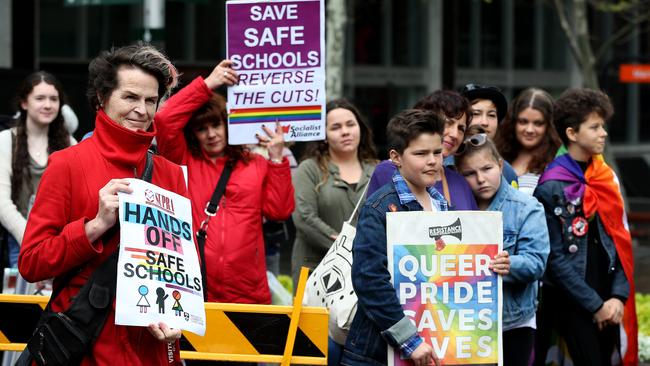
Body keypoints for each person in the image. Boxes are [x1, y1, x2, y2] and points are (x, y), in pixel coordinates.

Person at [18, 43, 187, 364]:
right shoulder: (66, 164)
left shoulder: (170, 174)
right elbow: (31, 263)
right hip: (87, 344)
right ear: (101, 97)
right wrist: (94, 227)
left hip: (150, 347)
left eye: (151, 100)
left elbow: (180, 267)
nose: (142, 110)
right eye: (130, 97)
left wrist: (177, 325)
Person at [154, 60, 294, 305]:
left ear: (227, 124)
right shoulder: (182, 161)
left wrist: (276, 159)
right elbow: (164, 119)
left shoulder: (257, 163)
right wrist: (209, 84)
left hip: (248, 290)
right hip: (193, 288)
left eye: (216, 124)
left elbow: (279, 211)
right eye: (202, 128)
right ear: (193, 134)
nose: (211, 134)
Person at [533, 89, 637, 366]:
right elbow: (553, 257)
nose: (603, 133)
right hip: (573, 300)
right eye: (595, 127)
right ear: (572, 133)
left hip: (607, 292)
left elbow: (619, 239)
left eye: (602, 125)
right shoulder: (551, 184)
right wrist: (595, 305)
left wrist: (617, 296)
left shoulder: (604, 177)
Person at [341, 109, 445, 366]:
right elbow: (369, 279)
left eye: (437, 152)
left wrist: (490, 262)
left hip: (432, 342)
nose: (432, 160)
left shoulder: (442, 205)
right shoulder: (379, 207)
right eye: (421, 154)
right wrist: (409, 339)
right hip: (375, 351)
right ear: (396, 158)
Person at [290, 98, 377, 365]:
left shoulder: (379, 170)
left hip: (364, 278)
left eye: (350, 124)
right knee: (318, 356)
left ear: (360, 128)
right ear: (324, 134)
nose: (345, 131)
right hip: (317, 275)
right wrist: (346, 244)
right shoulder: (310, 169)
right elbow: (304, 218)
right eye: (336, 127)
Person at [455, 125, 548, 366]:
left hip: (512, 322)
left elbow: (537, 263)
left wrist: (510, 264)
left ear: (500, 164)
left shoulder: (527, 206)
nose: (481, 179)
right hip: (462, 321)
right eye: (469, 173)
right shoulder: (452, 206)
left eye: (487, 168)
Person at [0, 72, 76, 268]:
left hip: (60, 244)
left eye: (54, 99)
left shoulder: (70, 144)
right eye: (40, 98)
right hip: (19, 241)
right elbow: (2, 203)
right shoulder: (6, 140)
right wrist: (31, 239)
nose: (48, 105)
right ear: (24, 103)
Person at [367, 90, 477, 210]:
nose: (455, 134)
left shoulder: (459, 181)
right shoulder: (388, 171)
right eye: (448, 123)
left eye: (461, 128)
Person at [495, 88, 561, 195]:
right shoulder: (497, 154)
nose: (529, 130)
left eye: (538, 123)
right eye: (523, 122)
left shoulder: (557, 161)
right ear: (513, 122)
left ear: (549, 126)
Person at [460, 83, 518, 186]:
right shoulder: (443, 165)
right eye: (476, 114)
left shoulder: (508, 172)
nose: (485, 122)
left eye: (491, 115)